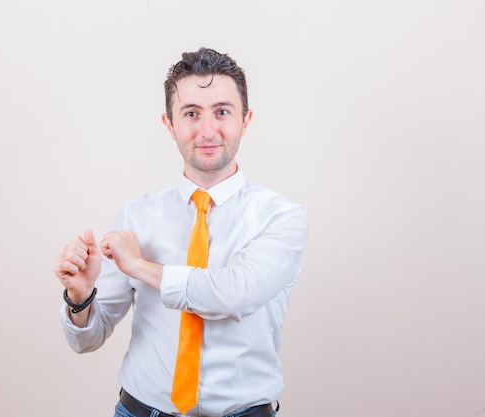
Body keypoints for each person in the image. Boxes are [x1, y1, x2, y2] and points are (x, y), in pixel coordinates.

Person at [54, 47, 308, 417]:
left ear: (245, 120)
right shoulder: (137, 216)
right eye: (191, 114)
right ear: (169, 125)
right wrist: (79, 297)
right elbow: (87, 340)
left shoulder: (282, 217)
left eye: (222, 112)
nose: (208, 131)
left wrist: (139, 266)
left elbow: (233, 294)